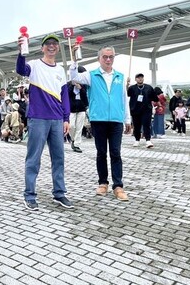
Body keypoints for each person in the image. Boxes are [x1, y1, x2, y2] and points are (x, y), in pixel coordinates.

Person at [16, 33, 72, 211]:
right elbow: (20, 70)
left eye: (54, 43)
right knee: (33, 159)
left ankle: (59, 193)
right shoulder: (34, 65)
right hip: (38, 118)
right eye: (47, 43)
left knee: (59, 158)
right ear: (42, 48)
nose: (51, 46)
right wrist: (21, 52)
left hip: (56, 120)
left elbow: (64, 96)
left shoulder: (60, 70)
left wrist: (66, 118)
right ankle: (30, 195)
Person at [70, 45, 131, 201]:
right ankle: (103, 183)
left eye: (111, 57)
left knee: (116, 153)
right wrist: (74, 60)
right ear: (99, 58)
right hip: (99, 120)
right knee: (101, 153)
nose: (108, 59)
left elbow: (124, 100)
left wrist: (127, 119)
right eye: (105, 57)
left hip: (116, 121)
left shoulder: (120, 77)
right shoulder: (91, 75)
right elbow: (74, 77)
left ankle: (118, 186)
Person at [127, 73, 157, 148]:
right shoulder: (132, 88)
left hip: (146, 110)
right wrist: (127, 85)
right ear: (135, 79)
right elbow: (127, 94)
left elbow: (155, 98)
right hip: (135, 110)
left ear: (143, 78)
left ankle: (148, 140)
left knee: (147, 125)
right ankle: (137, 140)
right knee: (136, 126)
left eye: (141, 77)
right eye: (138, 77)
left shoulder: (149, 88)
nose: (140, 79)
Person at [67, 66, 88, 153]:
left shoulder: (84, 85)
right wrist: (72, 85)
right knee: (72, 126)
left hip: (81, 108)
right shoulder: (69, 83)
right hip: (71, 108)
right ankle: (72, 139)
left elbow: (85, 96)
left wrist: (81, 88)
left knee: (79, 127)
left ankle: (77, 144)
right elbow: (66, 94)